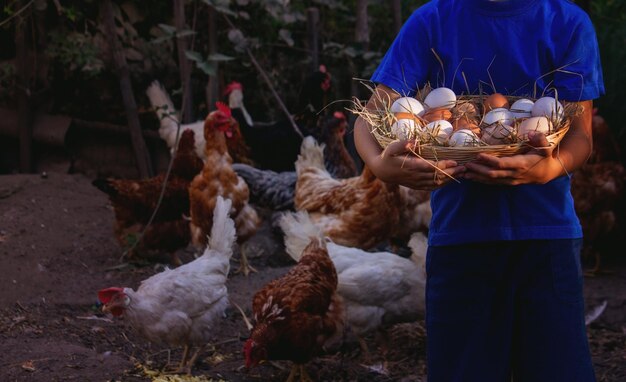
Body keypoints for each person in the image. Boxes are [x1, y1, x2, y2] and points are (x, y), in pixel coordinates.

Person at [354, 0, 604, 381]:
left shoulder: (566, 22)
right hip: (461, 241)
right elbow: (371, 117)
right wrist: (379, 165)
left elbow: (581, 136)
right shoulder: (434, 19)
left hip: (546, 240)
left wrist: (548, 167)